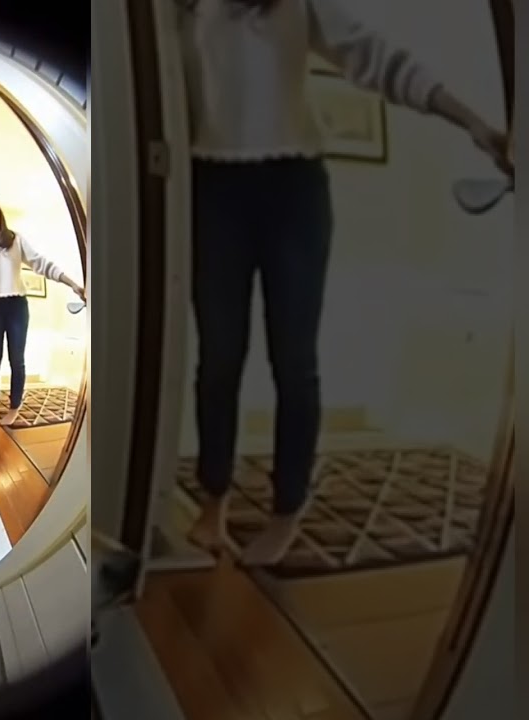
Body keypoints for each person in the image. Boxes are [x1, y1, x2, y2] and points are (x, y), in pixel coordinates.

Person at [177, 0, 512, 565]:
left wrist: (475, 122)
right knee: (218, 359)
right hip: (211, 189)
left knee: (294, 360)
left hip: (294, 190)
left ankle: (288, 508)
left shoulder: (296, 4)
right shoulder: (179, 12)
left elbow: (379, 59)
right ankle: (215, 505)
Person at [0, 198, 86, 425]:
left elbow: (41, 263)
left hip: (16, 306)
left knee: (17, 359)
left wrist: (72, 284)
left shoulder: (14, 240)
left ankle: (14, 407)